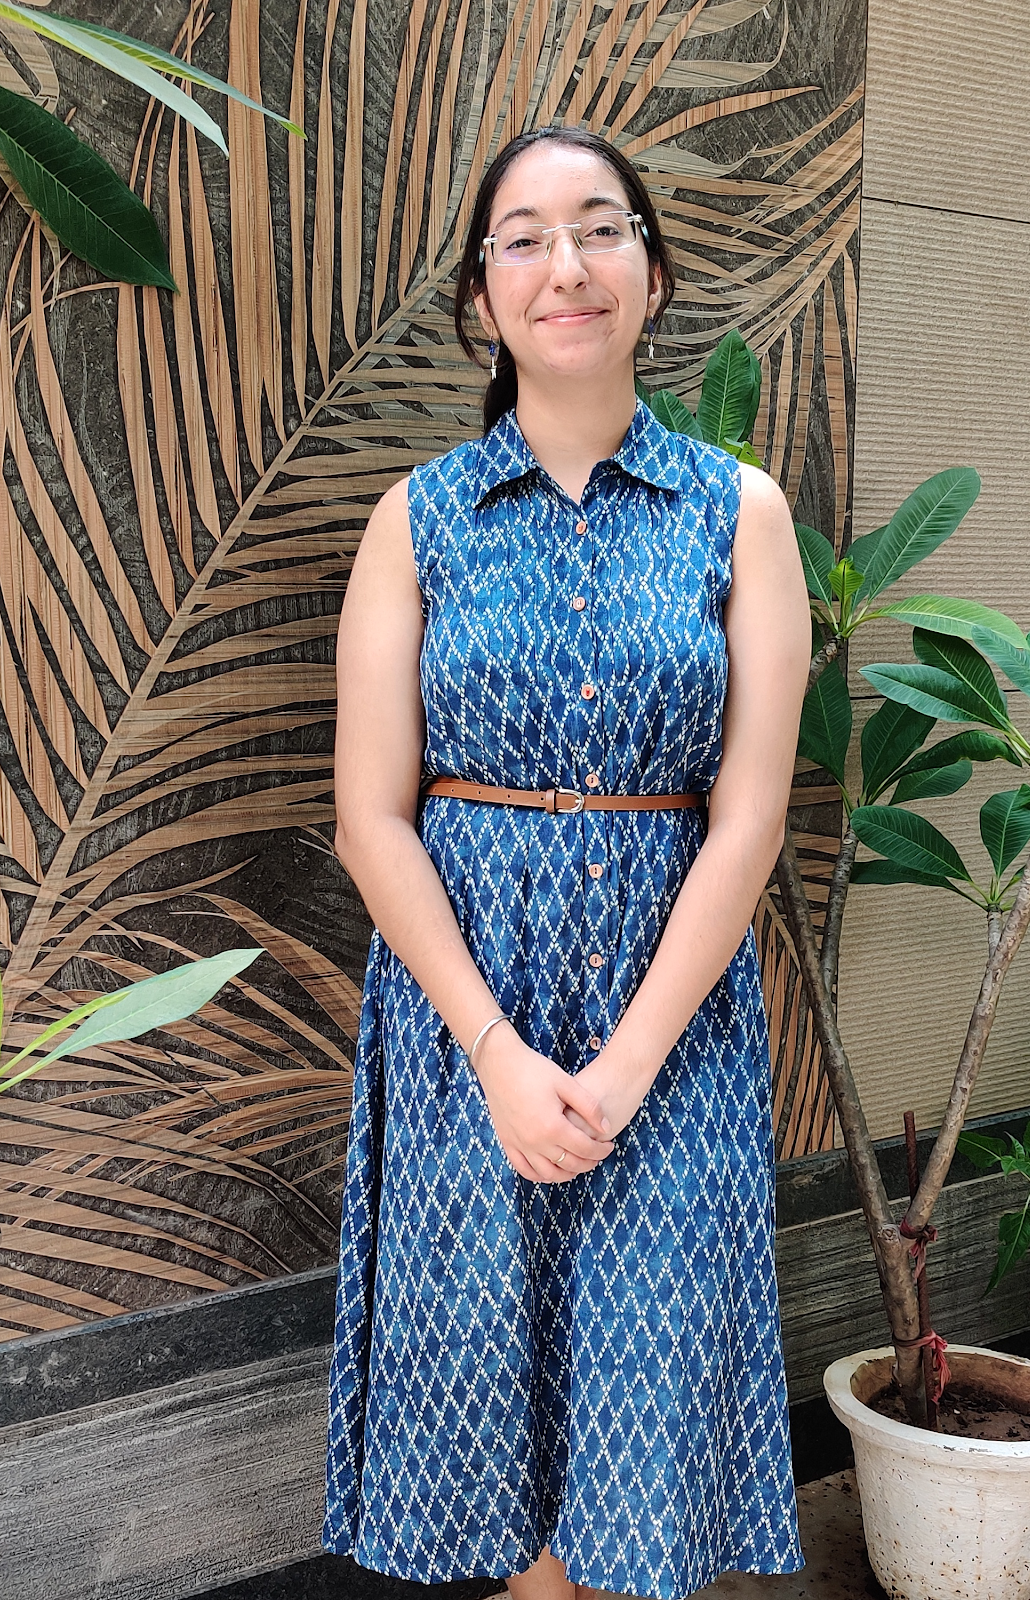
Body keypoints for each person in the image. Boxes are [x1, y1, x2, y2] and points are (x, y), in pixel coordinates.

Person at [318, 123, 811, 1600]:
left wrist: (629, 1064)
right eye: (524, 240)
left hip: (675, 1022)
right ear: (484, 298)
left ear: (652, 274)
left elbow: (749, 817)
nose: (567, 267)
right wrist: (496, 1053)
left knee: (645, 1397)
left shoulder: (742, 512)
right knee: (496, 1402)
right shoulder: (417, 521)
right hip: (468, 1018)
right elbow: (370, 818)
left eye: (601, 229)